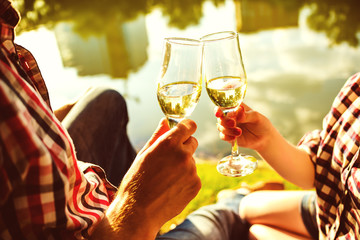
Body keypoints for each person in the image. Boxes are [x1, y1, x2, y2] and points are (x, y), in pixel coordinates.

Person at [0, 1, 201, 239]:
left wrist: (47, 121)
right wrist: (138, 208)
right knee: (220, 219)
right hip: (99, 229)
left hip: (81, 192)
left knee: (106, 101)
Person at [160, 72, 360, 240]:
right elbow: (320, 171)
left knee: (249, 230)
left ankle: (238, 197)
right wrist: (266, 141)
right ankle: (241, 197)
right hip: (334, 208)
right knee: (244, 208)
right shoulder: (356, 89)